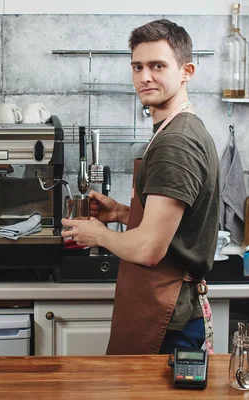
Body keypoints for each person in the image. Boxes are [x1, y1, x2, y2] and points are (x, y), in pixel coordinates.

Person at [61, 19, 220, 355]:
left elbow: (150, 248)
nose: (145, 76)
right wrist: (121, 212)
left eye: (157, 66)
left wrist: (97, 235)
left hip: (167, 317)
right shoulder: (177, 128)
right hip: (165, 309)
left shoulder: (175, 142)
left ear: (186, 70)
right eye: (138, 66)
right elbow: (174, 223)